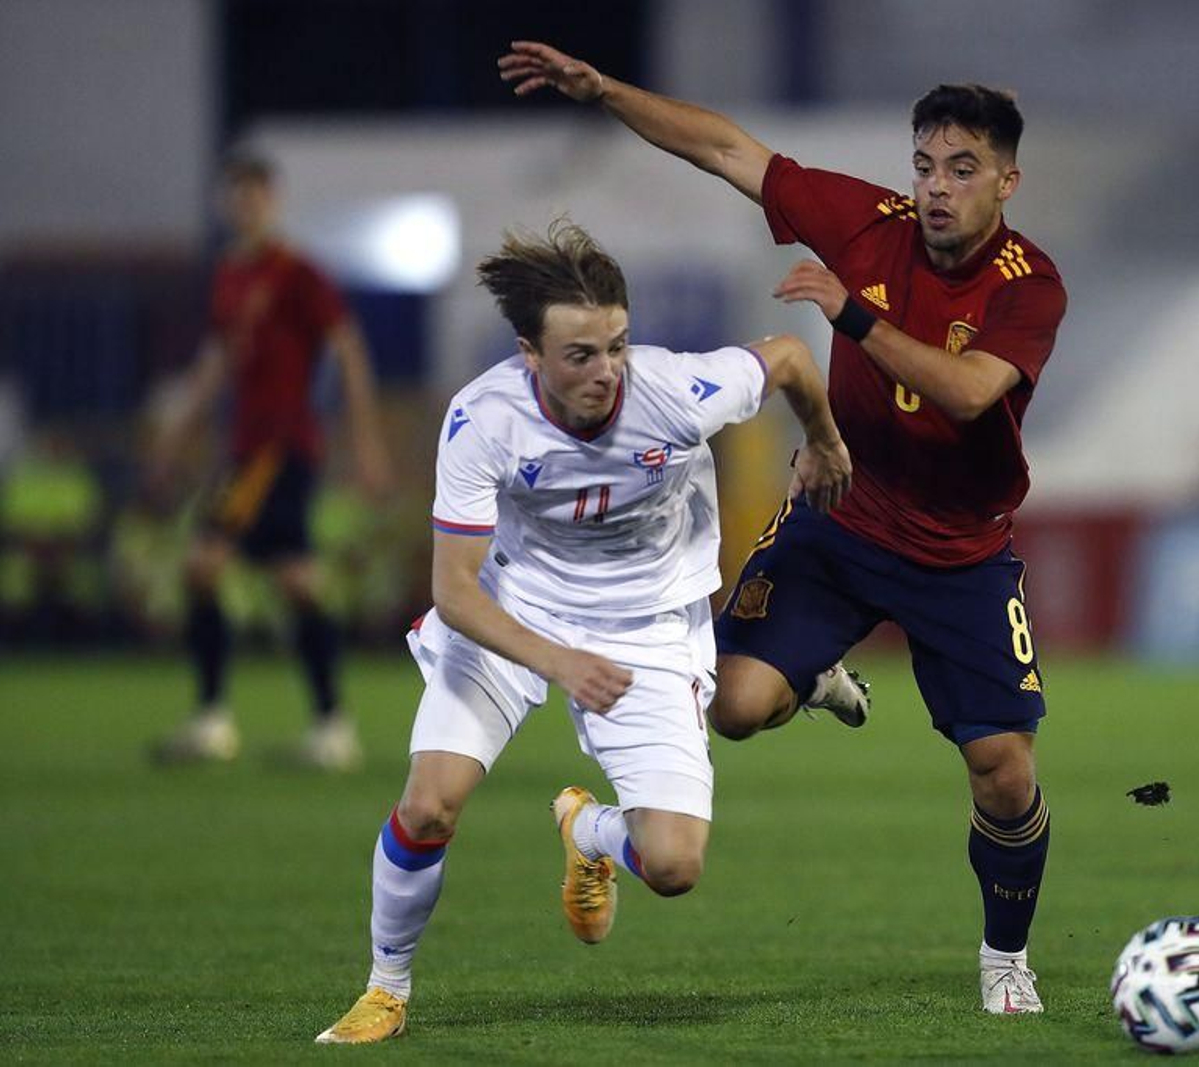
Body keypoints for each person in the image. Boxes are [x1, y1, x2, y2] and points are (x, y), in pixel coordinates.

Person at [499, 43, 1069, 1014]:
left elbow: (971, 393)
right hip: (842, 515)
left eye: (962, 169)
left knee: (1003, 771)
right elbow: (726, 149)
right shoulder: (868, 221)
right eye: (925, 164)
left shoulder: (1027, 284)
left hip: (960, 554)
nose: (935, 188)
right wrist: (603, 93)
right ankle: (811, 675)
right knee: (730, 706)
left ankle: (1003, 957)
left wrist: (850, 317)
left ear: (1006, 182)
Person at [315, 221, 849, 1044]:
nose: (607, 373)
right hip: (514, 613)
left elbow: (787, 358)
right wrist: (559, 660)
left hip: (648, 630)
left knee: (673, 865)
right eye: (580, 356)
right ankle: (386, 988)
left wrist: (822, 438)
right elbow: (454, 591)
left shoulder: (675, 388)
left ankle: (587, 829)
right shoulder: (483, 420)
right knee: (428, 804)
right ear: (530, 354)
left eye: (617, 346)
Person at [148, 152, 391, 771]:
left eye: (255, 195)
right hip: (248, 448)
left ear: (272, 200)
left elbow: (348, 350)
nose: (245, 206)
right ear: (225, 204)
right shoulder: (231, 276)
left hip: (278, 447)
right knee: (295, 580)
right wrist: (178, 430)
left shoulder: (296, 272)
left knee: (204, 563)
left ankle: (215, 720)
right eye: (236, 196)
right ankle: (331, 728)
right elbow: (219, 364)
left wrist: (366, 443)